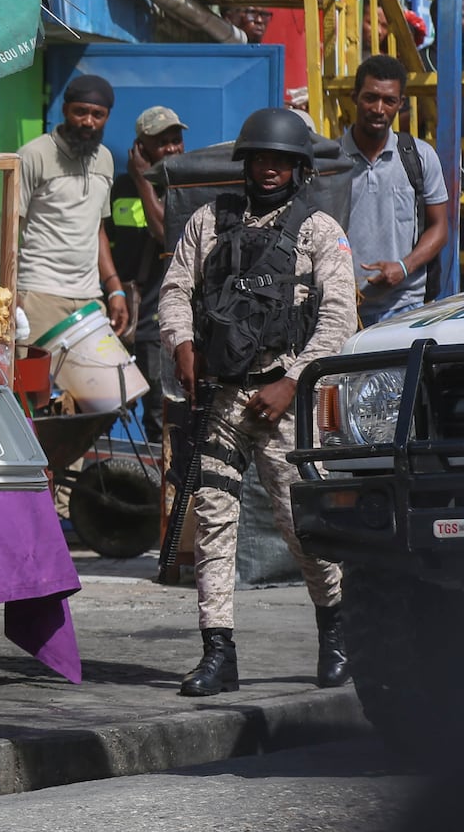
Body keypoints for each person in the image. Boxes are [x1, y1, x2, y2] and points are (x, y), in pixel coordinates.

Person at [159, 107, 357, 697]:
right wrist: (182, 343)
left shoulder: (321, 230)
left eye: (281, 161)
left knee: (302, 525)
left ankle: (337, 635)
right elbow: (175, 289)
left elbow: (340, 319)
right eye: (261, 159)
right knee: (215, 521)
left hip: (285, 402)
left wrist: (293, 380)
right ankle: (218, 651)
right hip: (222, 396)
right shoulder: (208, 222)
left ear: (299, 169)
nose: (269, 170)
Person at [16, 74, 129, 343]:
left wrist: (115, 289)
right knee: (34, 384)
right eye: (80, 112)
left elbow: (97, 228)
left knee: (103, 384)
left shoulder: (105, 159)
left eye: (97, 115)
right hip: (38, 295)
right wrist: (11, 293)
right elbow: (10, 225)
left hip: (90, 297)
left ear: (107, 117)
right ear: (65, 110)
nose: (88, 122)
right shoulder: (34, 155)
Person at [340, 54, 447, 327]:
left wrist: (403, 267)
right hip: (341, 310)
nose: (378, 108)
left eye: (389, 101)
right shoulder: (329, 162)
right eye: (370, 97)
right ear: (355, 97)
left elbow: (439, 228)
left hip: (406, 307)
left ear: (400, 104)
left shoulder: (419, 156)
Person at [109, 105, 187, 442]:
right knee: (109, 410)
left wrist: (143, 180)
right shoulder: (119, 188)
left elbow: (164, 233)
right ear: (140, 148)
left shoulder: (181, 190)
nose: (171, 149)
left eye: (176, 140)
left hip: (158, 326)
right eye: (161, 142)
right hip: (119, 320)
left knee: (161, 413)